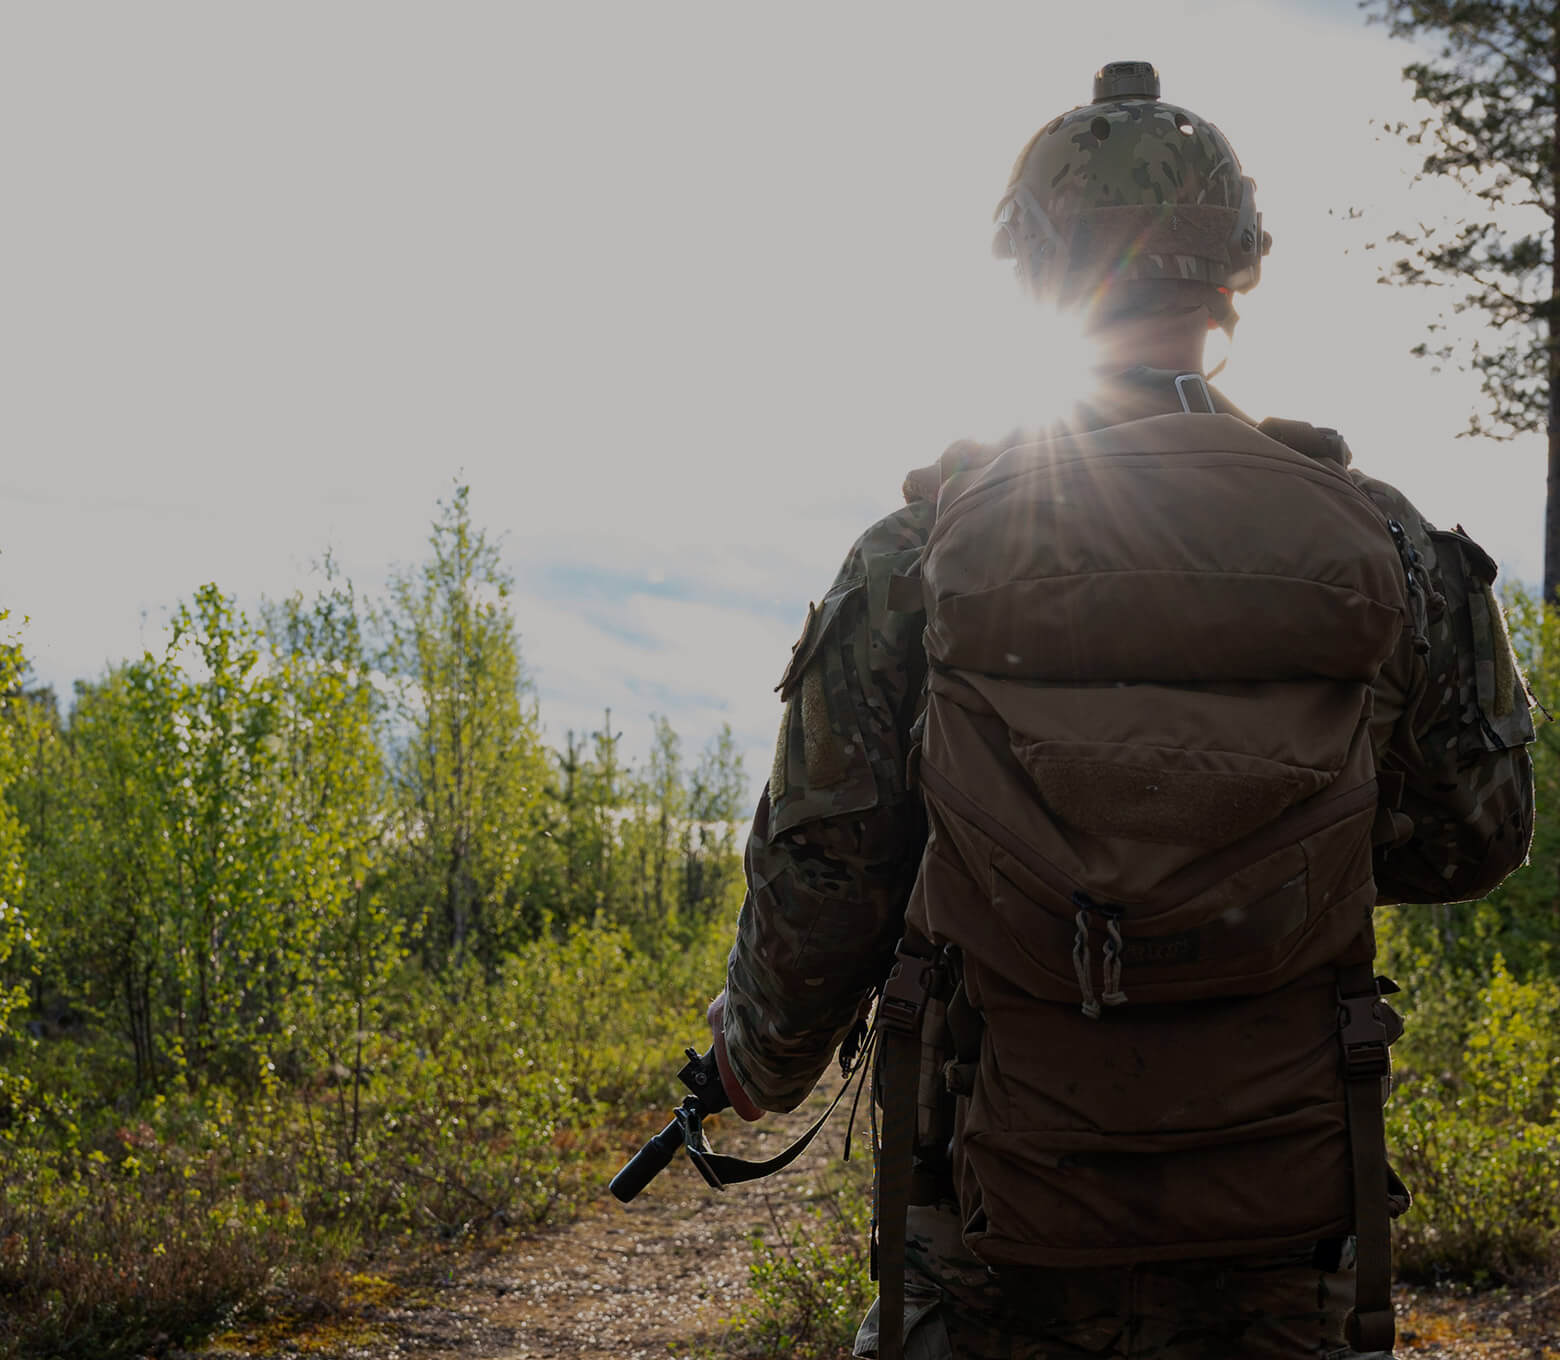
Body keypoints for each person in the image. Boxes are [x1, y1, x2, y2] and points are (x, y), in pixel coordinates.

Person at [705, 62, 1536, 1360]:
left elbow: (831, 872)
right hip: (1283, 1217)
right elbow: (1476, 838)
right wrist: (1253, 871)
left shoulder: (918, 554)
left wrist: (758, 1063)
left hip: (990, 1219)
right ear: (1234, 274)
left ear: (1033, 267)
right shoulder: (1385, 546)